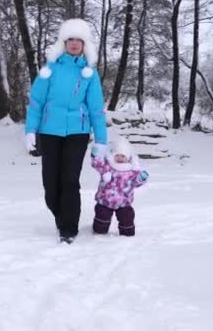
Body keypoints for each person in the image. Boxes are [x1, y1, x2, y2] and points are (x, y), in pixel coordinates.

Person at [24, 19, 108, 244]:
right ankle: (62, 217)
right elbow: (36, 102)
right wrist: (30, 130)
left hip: (77, 133)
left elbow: (96, 109)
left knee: (70, 180)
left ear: (84, 45)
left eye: (78, 40)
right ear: (64, 42)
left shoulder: (89, 73)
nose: (74, 44)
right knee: (50, 184)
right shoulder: (49, 69)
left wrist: (101, 140)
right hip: (49, 132)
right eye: (70, 39)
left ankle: (69, 229)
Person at [90, 138, 148, 237]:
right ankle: (99, 232)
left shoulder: (132, 171)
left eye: (123, 156)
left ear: (128, 158)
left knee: (127, 218)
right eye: (117, 155)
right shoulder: (108, 166)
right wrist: (95, 155)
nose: (120, 158)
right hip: (105, 201)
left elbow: (135, 183)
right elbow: (97, 164)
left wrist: (141, 178)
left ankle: (127, 235)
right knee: (102, 217)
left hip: (124, 202)